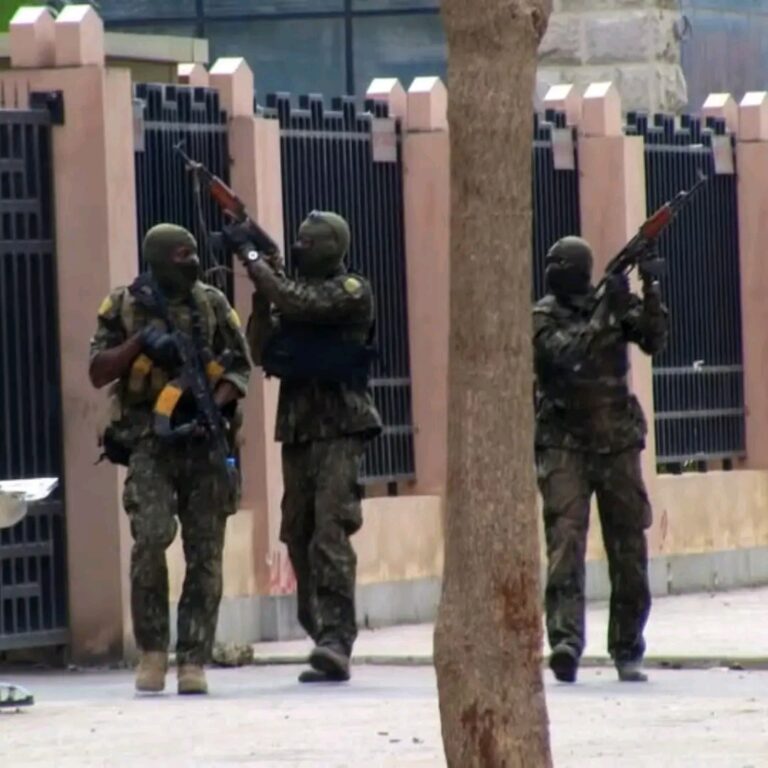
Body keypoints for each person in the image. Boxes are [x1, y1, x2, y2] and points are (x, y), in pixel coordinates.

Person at [89, 224, 251, 695]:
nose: (192, 262)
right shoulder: (123, 304)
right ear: (158, 258)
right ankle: (153, 652)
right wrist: (141, 342)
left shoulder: (213, 304)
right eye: (182, 255)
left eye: (194, 253)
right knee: (150, 539)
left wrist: (212, 404)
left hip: (203, 441)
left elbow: (240, 367)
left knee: (206, 553)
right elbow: (98, 371)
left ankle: (194, 659)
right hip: (150, 442)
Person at [225, 210, 382, 683]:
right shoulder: (288, 293)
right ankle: (319, 630)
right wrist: (261, 298)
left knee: (331, 530)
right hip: (298, 429)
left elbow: (300, 303)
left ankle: (337, 638)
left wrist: (253, 258)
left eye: (309, 244)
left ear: (331, 248)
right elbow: (260, 350)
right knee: (297, 533)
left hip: (341, 428)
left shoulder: (351, 290)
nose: (300, 250)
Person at [533, 235, 668, 684]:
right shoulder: (542, 317)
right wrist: (607, 308)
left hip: (617, 443)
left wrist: (651, 289)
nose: (553, 271)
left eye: (561, 263)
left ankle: (627, 646)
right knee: (565, 542)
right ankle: (566, 642)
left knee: (628, 547)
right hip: (564, 443)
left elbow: (653, 339)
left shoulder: (611, 303)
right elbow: (568, 356)